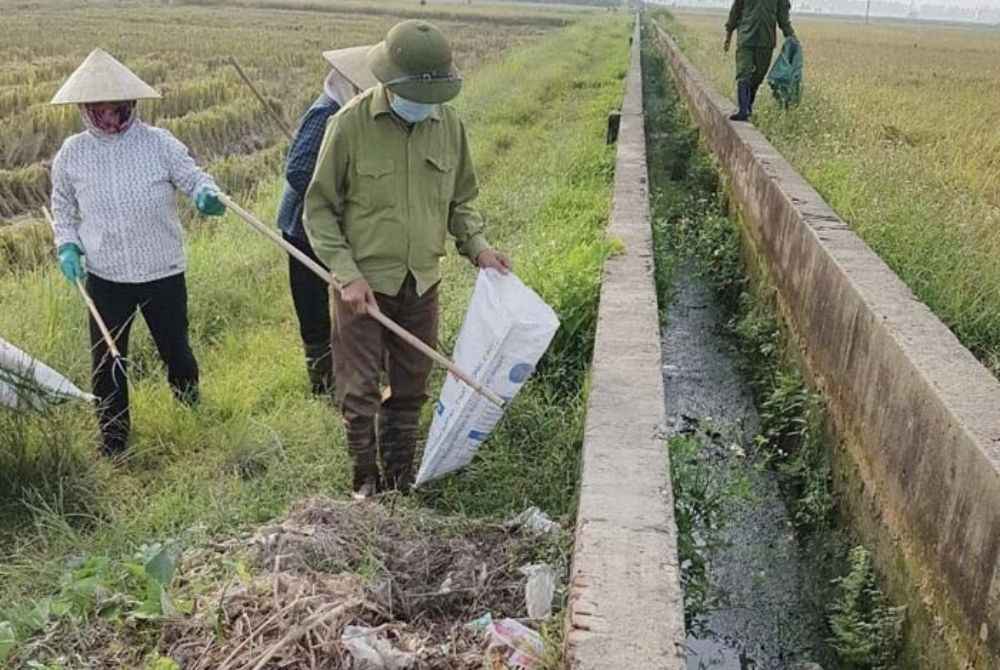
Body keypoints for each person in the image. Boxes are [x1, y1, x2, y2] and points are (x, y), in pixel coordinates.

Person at [304, 20, 511, 499]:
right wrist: (347, 275)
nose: (424, 103)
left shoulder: (448, 127)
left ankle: (398, 480)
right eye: (416, 92)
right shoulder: (350, 126)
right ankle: (365, 483)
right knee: (358, 391)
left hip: (421, 283)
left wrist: (478, 246)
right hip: (363, 288)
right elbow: (319, 210)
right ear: (391, 83)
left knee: (413, 385)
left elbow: (461, 202)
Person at [49, 48, 225, 456]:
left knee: (176, 351)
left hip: (162, 270)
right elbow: (62, 207)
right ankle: (114, 441)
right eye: (99, 110)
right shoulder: (72, 154)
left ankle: (190, 412)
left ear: (131, 104)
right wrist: (68, 245)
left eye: (117, 109)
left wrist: (206, 195)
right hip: (106, 277)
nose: (110, 118)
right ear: (85, 108)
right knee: (108, 362)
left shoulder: (159, 144)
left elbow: (194, 178)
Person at [277, 47, 377, 396]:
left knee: (352, 296)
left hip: (335, 227)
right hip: (304, 230)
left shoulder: (352, 112)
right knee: (314, 312)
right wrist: (342, 203)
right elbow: (299, 170)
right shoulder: (327, 112)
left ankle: (355, 372)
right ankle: (322, 384)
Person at [724, 0, 796, 122]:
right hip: (746, 37)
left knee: (758, 75)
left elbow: (783, 17)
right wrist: (728, 35)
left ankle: (748, 106)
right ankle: (742, 110)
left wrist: (791, 37)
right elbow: (735, 10)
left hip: (766, 40)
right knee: (743, 72)